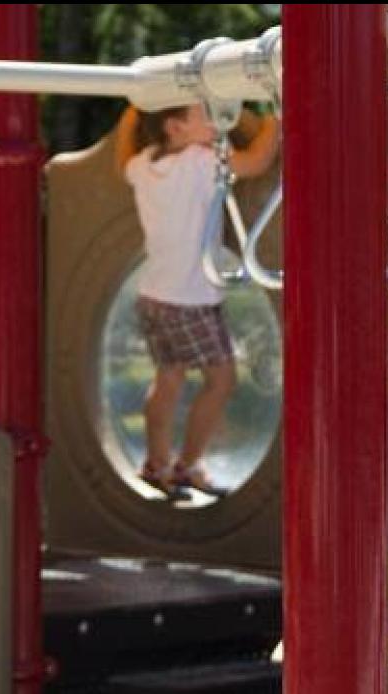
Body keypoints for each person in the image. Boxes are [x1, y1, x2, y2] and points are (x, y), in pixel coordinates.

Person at [117, 103, 279, 500]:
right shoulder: (200, 161)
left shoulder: (143, 165)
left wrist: (135, 107)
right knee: (221, 382)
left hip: (155, 294)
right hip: (188, 299)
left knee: (168, 378)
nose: (215, 120)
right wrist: (279, 112)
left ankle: (156, 465)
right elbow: (256, 161)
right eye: (203, 115)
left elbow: (122, 155)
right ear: (175, 127)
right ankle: (187, 466)